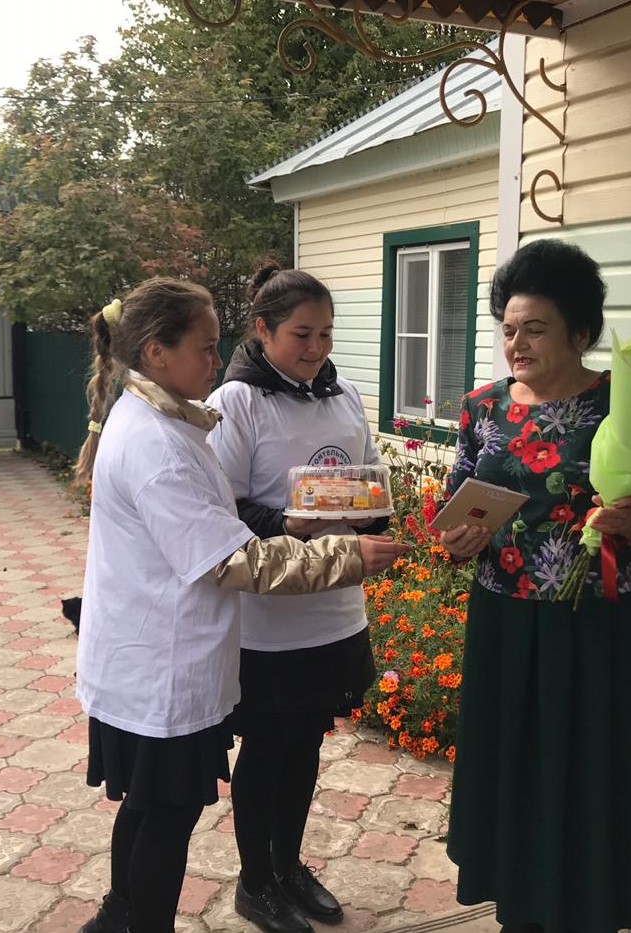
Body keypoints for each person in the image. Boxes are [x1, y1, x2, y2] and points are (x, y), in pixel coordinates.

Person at [72, 278, 408, 933]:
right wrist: (344, 555)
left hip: (155, 659)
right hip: (162, 667)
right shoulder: (158, 444)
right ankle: (143, 919)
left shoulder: (161, 421)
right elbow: (233, 560)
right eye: (204, 347)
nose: (215, 359)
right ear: (157, 352)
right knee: (165, 814)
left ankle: (120, 917)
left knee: (152, 806)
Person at [439, 240, 631, 933]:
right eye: (509, 329)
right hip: (507, 625)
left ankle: (596, 905)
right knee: (519, 769)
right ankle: (524, 906)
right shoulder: (482, 407)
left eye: (535, 328)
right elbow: (456, 505)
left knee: (597, 768)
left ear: (580, 332)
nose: (516, 344)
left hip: (601, 625)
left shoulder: (626, 405)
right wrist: (456, 540)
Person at [205, 260, 388, 933]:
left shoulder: (346, 396)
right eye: (301, 335)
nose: (316, 349)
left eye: (326, 334)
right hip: (269, 619)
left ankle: (288, 866)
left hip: (334, 610)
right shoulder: (237, 402)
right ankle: (255, 881)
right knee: (267, 747)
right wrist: (288, 522)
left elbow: (372, 482)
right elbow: (220, 509)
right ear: (263, 330)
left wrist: (374, 513)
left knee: (307, 741)